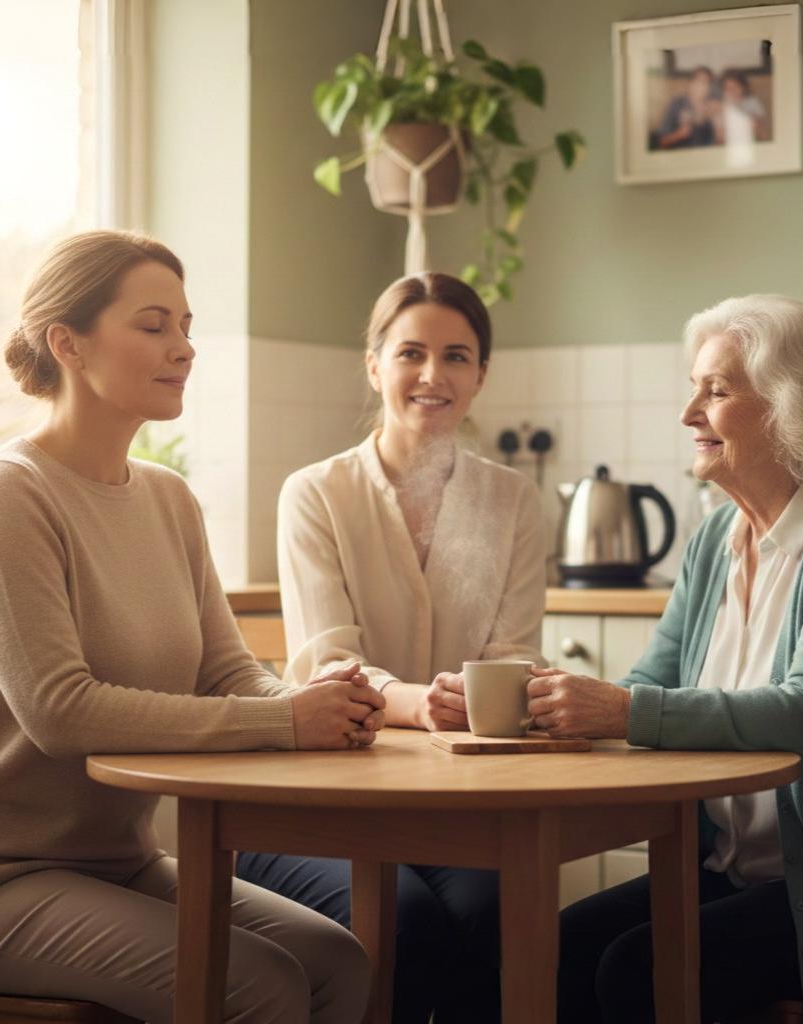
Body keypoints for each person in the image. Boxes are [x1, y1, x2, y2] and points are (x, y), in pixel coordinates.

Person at [0, 230, 383, 1024]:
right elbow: (61, 713)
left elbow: (227, 672)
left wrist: (308, 698)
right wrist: (281, 721)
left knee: (334, 962)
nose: (182, 348)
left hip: (116, 862)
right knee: (260, 986)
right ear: (67, 343)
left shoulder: (168, 499)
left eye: (186, 327)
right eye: (153, 326)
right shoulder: (5, 497)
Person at [529, 295, 803, 1023]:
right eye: (693, 389)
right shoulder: (713, 540)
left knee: (634, 972)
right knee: (555, 948)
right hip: (739, 873)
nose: (688, 415)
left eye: (714, 391)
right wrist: (551, 704)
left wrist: (622, 710)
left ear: (789, 406)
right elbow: (652, 682)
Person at [237, 272, 547, 1024]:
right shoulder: (315, 493)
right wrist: (433, 706)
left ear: (480, 376)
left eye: (456, 356)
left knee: (496, 913)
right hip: (316, 800)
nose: (432, 375)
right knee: (404, 922)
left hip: (457, 807)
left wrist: (489, 699)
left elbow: (514, 655)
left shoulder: (511, 501)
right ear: (373, 365)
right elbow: (323, 662)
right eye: (411, 352)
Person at [650, 65, 717, 150]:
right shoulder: (676, 104)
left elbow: (714, 144)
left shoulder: (711, 107)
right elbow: (662, 142)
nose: (701, 87)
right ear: (690, 84)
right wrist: (679, 134)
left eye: (706, 83)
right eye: (698, 81)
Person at [715, 69, 769, 150]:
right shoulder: (722, 106)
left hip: (750, 143)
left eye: (734, 87)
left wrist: (736, 107)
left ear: (743, 87)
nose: (731, 91)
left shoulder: (751, 102)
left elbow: (759, 129)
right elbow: (719, 138)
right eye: (727, 88)